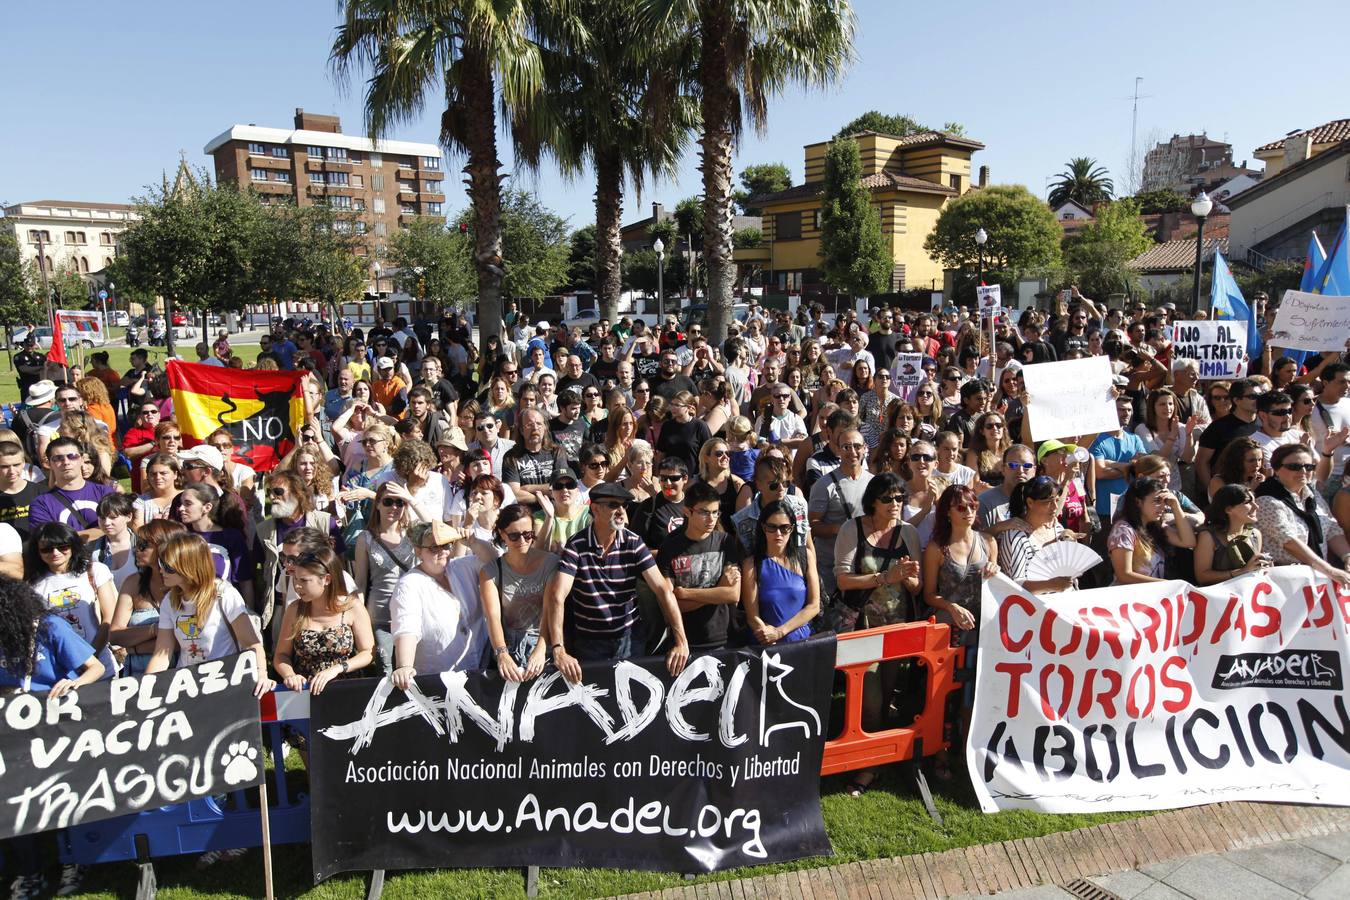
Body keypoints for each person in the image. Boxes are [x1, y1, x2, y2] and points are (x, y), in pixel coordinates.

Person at [0, 576, 105, 900]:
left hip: (57, 725)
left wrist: (74, 684)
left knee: (61, 791)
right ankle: (29, 871)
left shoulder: (49, 628)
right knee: (12, 797)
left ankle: (73, 859)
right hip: (13, 730)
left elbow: (95, 668)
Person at [547, 481, 689, 681]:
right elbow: (557, 596)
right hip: (589, 643)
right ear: (595, 509)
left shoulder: (633, 542)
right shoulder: (576, 545)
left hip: (630, 639)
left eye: (624, 505)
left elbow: (663, 590)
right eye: (613, 505)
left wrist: (681, 642)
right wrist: (559, 649)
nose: (621, 511)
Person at [143, 532, 273, 693]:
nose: (161, 570)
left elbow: (251, 643)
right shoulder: (170, 600)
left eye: (168, 567)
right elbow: (162, 654)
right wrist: (145, 688)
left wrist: (261, 674)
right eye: (160, 563)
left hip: (226, 683)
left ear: (189, 566)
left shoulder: (224, 594)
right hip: (188, 686)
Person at [389, 521, 488, 688]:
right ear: (418, 551)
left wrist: (473, 542)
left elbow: (497, 561)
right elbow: (406, 628)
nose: (442, 551)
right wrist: (404, 666)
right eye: (434, 547)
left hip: (480, 671)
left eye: (446, 545)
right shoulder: (409, 585)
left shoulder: (463, 566)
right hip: (440, 683)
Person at [273, 547, 375, 695]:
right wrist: (290, 675)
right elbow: (281, 655)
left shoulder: (352, 607)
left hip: (345, 689)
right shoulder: (294, 609)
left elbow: (368, 653)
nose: (297, 586)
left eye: (304, 580)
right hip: (305, 691)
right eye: (295, 578)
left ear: (326, 579)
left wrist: (337, 669)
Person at [655, 482, 742, 653]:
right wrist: (718, 590)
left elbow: (732, 595)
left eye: (715, 512)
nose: (711, 519)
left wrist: (686, 594)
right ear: (687, 511)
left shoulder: (725, 542)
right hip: (686, 643)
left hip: (724, 639)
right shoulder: (670, 547)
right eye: (704, 512)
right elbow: (669, 605)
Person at [1254, 444, 1350, 587]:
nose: (1303, 471)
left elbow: (1332, 529)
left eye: (1309, 467)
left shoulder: (1312, 494)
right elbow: (1289, 542)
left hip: (1317, 577)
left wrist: (1347, 556)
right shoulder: (1267, 500)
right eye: (1294, 467)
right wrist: (1330, 571)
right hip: (1284, 581)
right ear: (1276, 469)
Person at [478, 504, 554, 680]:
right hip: (509, 644)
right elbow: (493, 617)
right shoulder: (491, 571)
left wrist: (541, 648)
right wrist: (502, 653)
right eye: (514, 536)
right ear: (502, 534)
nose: (522, 541)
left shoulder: (550, 563)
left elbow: (551, 611)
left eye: (527, 534)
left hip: (545, 641)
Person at [809, 427, 872, 602]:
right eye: (846, 447)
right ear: (838, 449)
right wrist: (844, 529)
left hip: (865, 566)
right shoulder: (823, 484)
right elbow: (813, 525)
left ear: (865, 448)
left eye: (857, 446)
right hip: (831, 566)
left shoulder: (873, 482)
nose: (852, 452)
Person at [1106, 477, 1197, 584]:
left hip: (1155, 592)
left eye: (1164, 502)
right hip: (1130, 593)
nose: (1163, 507)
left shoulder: (1155, 527)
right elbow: (1124, 575)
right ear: (1138, 502)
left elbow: (1189, 542)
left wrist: (1175, 506)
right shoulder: (1123, 530)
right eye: (1157, 501)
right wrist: (1167, 584)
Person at [29, 437, 117, 542]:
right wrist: (102, 531)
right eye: (58, 458)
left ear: (82, 459)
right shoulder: (41, 504)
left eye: (72, 456)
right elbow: (48, 540)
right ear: (49, 464)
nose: (66, 462)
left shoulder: (105, 492)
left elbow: (119, 525)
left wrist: (65, 538)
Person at [996, 477, 1075, 592]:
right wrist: (1051, 585)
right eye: (1048, 502)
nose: (1055, 507)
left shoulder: (1057, 528)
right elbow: (1015, 585)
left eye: (1057, 500)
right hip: (1032, 603)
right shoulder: (1015, 536)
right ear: (1030, 502)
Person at [1193, 484, 1268, 585]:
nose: (1256, 507)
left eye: (1254, 502)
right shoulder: (1208, 537)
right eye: (1248, 502)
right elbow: (1202, 577)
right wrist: (1241, 572)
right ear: (1228, 509)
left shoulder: (1255, 534)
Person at [1195, 377, 1263, 487]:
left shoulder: (1265, 423)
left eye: (1260, 396)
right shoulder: (1218, 427)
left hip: (1258, 488)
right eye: (1252, 397)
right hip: (1227, 489)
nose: (1258, 400)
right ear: (1236, 400)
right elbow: (1202, 462)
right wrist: (1212, 490)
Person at [503, 409, 569, 509]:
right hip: (526, 514)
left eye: (539, 424)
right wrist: (542, 498)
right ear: (521, 430)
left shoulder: (557, 452)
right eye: (529, 425)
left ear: (545, 428)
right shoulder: (511, 457)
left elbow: (561, 486)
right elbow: (514, 494)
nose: (535, 428)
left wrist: (528, 488)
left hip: (555, 510)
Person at [0, 439, 43, 540]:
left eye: (16, 465)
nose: (12, 471)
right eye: (5, 467)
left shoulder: (42, 493)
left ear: (23, 463)